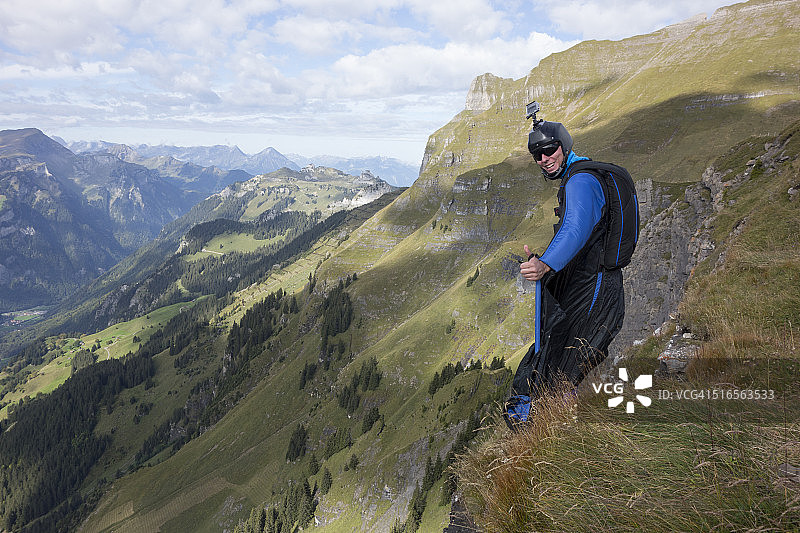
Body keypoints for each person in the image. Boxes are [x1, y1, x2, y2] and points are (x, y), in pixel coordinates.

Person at [505, 117, 627, 424]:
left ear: (565, 145)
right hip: (588, 282)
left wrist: (545, 264)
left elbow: (575, 229)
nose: (544, 159)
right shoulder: (576, 178)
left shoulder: (581, 181)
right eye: (537, 154)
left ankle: (563, 433)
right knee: (564, 356)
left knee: (570, 360)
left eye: (550, 150)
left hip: (597, 284)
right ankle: (561, 425)